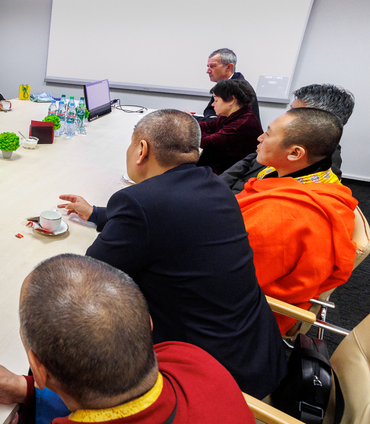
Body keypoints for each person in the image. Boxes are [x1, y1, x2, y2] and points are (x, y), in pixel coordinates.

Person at [57, 109, 286, 399]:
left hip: (205, 376)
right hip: (254, 352)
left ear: (142, 149)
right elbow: (169, 221)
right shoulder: (215, 184)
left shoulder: (138, 203)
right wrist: (97, 215)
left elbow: (92, 272)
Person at [0, 254, 255, 424]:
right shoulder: (190, 358)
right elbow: (114, 401)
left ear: (38, 369)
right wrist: (26, 389)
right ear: (147, 323)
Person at [236, 108, 357, 334]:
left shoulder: (285, 214)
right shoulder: (318, 178)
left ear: (294, 153)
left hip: (249, 313)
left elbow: (232, 276)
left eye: (269, 134)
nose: (260, 138)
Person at [221, 83, 355, 193]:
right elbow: (249, 160)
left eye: (293, 112)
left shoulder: (320, 171)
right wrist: (219, 185)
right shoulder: (284, 138)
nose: (285, 116)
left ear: (319, 121)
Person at [197, 79, 263, 174]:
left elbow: (207, 142)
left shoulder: (243, 124)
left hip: (226, 175)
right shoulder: (229, 115)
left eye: (216, 100)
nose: (213, 104)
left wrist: (184, 130)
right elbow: (209, 126)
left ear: (231, 100)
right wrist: (187, 125)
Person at [198, 48, 260, 123]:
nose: (208, 71)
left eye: (213, 66)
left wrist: (194, 119)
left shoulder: (239, 88)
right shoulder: (222, 85)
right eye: (208, 66)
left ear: (228, 67)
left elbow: (227, 122)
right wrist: (212, 119)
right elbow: (209, 109)